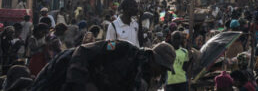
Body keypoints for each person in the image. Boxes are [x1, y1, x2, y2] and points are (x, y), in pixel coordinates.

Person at [34, 40, 176, 91]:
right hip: (64, 71)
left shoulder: (143, 80)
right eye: (162, 67)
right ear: (153, 58)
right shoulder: (122, 48)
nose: (162, 72)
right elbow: (83, 50)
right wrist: (76, 82)